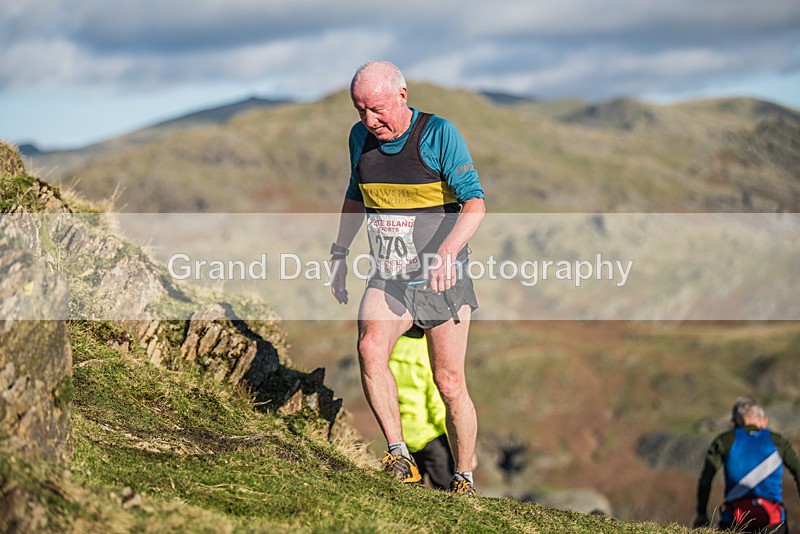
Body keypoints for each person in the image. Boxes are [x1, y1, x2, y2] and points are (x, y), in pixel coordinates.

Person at [329, 60, 485, 495]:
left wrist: (448, 253)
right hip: (389, 275)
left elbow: (475, 203)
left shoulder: (439, 134)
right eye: (360, 109)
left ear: (402, 95)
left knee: (449, 384)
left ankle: (464, 477)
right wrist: (339, 253)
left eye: (377, 109)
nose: (369, 120)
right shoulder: (359, 138)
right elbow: (354, 196)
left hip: (440, 278)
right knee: (369, 348)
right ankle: (399, 455)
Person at [693, 397, 800, 533]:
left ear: (733, 423)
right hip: (773, 520)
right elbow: (798, 472)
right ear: (764, 421)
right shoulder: (778, 441)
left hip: (735, 518)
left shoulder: (724, 441)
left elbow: (706, 479)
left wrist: (701, 513)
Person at [389, 325, 455, 489]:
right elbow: (436, 403)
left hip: (400, 435)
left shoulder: (391, 349)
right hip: (430, 435)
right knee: (450, 493)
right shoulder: (427, 352)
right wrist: (454, 437)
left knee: (408, 492)